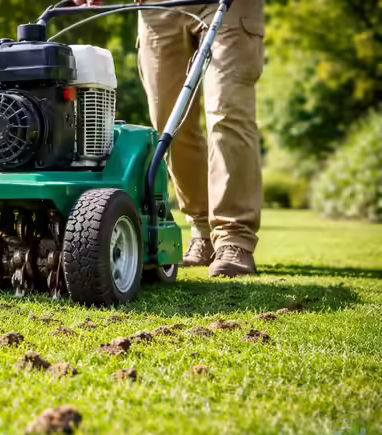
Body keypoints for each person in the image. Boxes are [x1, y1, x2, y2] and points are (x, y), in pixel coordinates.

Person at [71, 0, 265, 277]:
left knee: (226, 113)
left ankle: (234, 238)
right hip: (157, 7)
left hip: (228, 5)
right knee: (170, 125)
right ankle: (202, 231)